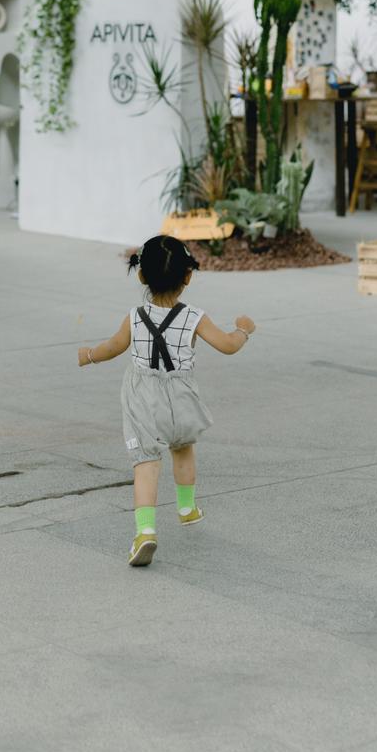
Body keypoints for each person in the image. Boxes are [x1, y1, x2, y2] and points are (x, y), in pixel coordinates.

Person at [77, 234, 255, 567]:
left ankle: (145, 532)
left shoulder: (134, 317)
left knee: (146, 463)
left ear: (141, 276)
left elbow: (113, 347)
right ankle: (187, 508)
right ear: (188, 276)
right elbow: (228, 345)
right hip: (181, 394)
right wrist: (243, 330)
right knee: (183, 447)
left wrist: (88, 355)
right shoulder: (195, 317)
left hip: (143, 397)